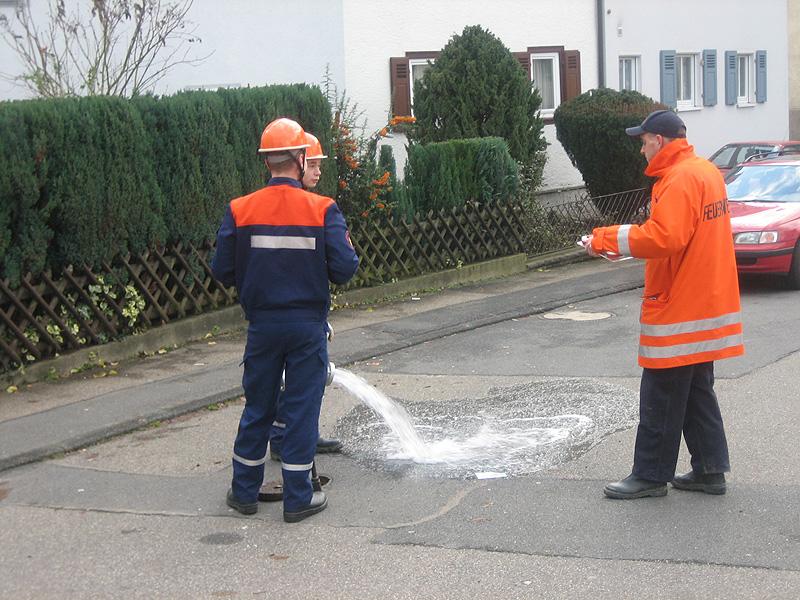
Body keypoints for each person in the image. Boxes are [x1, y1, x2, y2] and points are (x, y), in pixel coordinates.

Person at [584, 109, 743, 499]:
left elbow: (664, 238)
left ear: (659, 140)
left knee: (662, 392)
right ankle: (709, 469)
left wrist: (604, 239)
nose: (641, 150)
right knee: (696, 391)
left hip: (680, 306)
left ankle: (651, 476)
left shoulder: (679, 178)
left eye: (643, 142)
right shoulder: (705, 171)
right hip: (706, 302)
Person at [211, 117, 359, 522]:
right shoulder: (322, 208)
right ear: (299, 157)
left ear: (266, 162)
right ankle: (298, 498)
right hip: (307, 327)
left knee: (258, 407)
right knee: (300, 409)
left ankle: (244, 493)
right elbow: (346, 268)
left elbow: (221, 270)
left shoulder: (240, 209)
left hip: (261, 326)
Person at [268, 131, 343, 464]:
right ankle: (287, 442)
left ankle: (299, 436)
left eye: (319, 165)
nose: (317, 171)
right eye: (312, 164)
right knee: (297, 383)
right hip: (296, 315)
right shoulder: (315, 210)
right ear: (297, 163)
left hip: (300, 312)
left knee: (304, 383)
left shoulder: (316, 207)